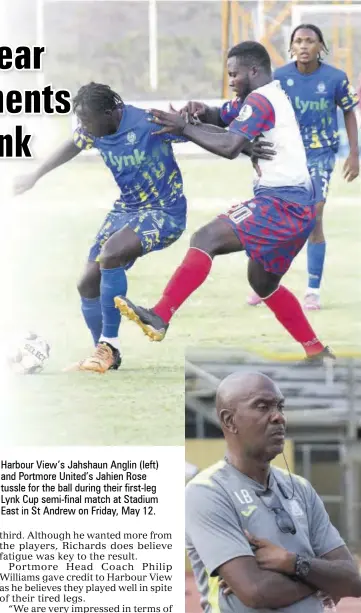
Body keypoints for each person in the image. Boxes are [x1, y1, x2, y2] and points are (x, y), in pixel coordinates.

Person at [115, 41, 334, 363]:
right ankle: (317, 352)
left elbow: (231, 146)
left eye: (234, 74)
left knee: (206, 239)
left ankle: (160, 315)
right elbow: (222, 116)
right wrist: (202, 113)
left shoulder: (261, 101)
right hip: (298, 207)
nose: (230, 80)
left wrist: (185, 127)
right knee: (262, 282)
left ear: (254, 71)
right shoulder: (260, 97)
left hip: (283, 204)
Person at [13, 82, 189, 372]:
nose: (83, 127)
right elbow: (72, 145)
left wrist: (238, 139)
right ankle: (107, 354)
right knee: (87, 282)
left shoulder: (148, 122)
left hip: (165, 211)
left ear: (110, 113)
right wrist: (35, 175)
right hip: (127, 210)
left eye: (86, 120)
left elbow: (195, 133)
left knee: (111, 253)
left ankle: (108, 346)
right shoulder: (94, 130)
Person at [185, 371, 361, 612]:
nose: (278, 417)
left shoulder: (301, 488)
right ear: (229, 421)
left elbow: (351, 577)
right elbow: (257, 592)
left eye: (280, 406)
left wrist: (292, 563)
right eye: (262, 406)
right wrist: (322, 580)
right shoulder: (207, 492)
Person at [250, 24, 359, 309]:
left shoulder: (335, 78)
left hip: (321, 155)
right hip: (285, 155)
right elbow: (264, 112)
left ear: (320, 46)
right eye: (298, 41)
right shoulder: (279, 78)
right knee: (272, 218)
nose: (303, 46)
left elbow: (349, 111)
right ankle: (264, 284)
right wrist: (255, 150)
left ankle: (312, 289)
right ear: (291, 47)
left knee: (313, 217)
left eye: (310, 41)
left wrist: (354, 154)